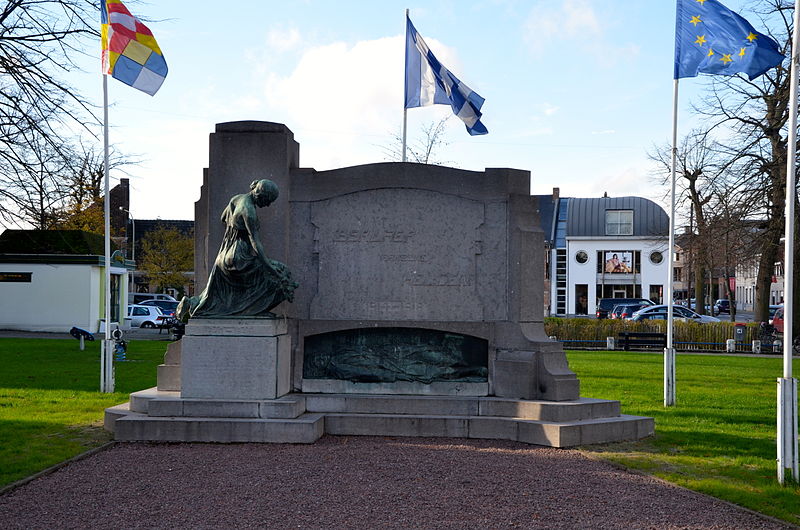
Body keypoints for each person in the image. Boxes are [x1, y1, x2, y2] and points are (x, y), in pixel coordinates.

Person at [185, 179, 297, 319]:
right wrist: (268, 265)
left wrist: (236, 226)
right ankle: (253, 310)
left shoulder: (237, 199)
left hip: (225, 254)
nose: (268, 204)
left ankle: (247, 310)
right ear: (261, 195)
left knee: (273, 275)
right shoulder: (249, 212)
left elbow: (223, 218)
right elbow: (255, 242)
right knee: (279, 274)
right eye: (268, 200)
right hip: (239, 257)